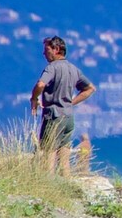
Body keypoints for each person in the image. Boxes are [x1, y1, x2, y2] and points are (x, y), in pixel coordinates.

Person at [30, 36, 95, 177]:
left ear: (57, 49)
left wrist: (34, 98)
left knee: (49, 156)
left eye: (47, 50)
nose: (44, 53)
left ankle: (48, 189)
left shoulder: (52, 68)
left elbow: (41, 84)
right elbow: (90, 88)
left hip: (53, 116)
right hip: (68, 117)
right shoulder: (74, 69)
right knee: (64, 160)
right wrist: (71, 102)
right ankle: (66, 187)